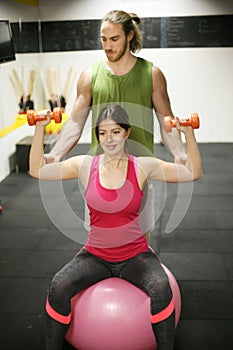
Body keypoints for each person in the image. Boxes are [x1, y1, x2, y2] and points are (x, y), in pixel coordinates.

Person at [29, 104, 202, 350]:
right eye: (103, 133)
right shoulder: (85, 166)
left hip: (135, 256)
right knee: (59, 285)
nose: (108, 139)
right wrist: (39, 129)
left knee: (162, 289)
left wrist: (189, 135)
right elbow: (38, 169)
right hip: (96, 255)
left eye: (115, 132)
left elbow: (192, 172)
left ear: (127, 132)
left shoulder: (143, 166)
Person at [44, 9, 187, 241]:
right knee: (99, 243)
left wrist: (180, 155)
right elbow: (75, 122)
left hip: (139, 174)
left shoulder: (152, 74)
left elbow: (166, 122)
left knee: (140, 243)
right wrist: (55, 155)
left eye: (114, 39)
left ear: (129, 36)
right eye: (103, 39)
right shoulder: (89, 76)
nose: (108, 46)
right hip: (100, 175)